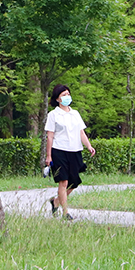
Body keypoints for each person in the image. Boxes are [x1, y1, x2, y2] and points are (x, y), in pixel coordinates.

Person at [44, 84, 95, 221]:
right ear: (57, 99)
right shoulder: (53, 115)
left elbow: (81, 132)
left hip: (75, 150)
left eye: (68, 94)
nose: (67, 97)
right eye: (63, 95)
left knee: (74, 181)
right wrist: (49, 156)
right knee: (63, 181)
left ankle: (56, 201)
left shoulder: (75, 113)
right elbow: (50, 136)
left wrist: (89, 146)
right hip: (59, 150)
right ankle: (65, 212)